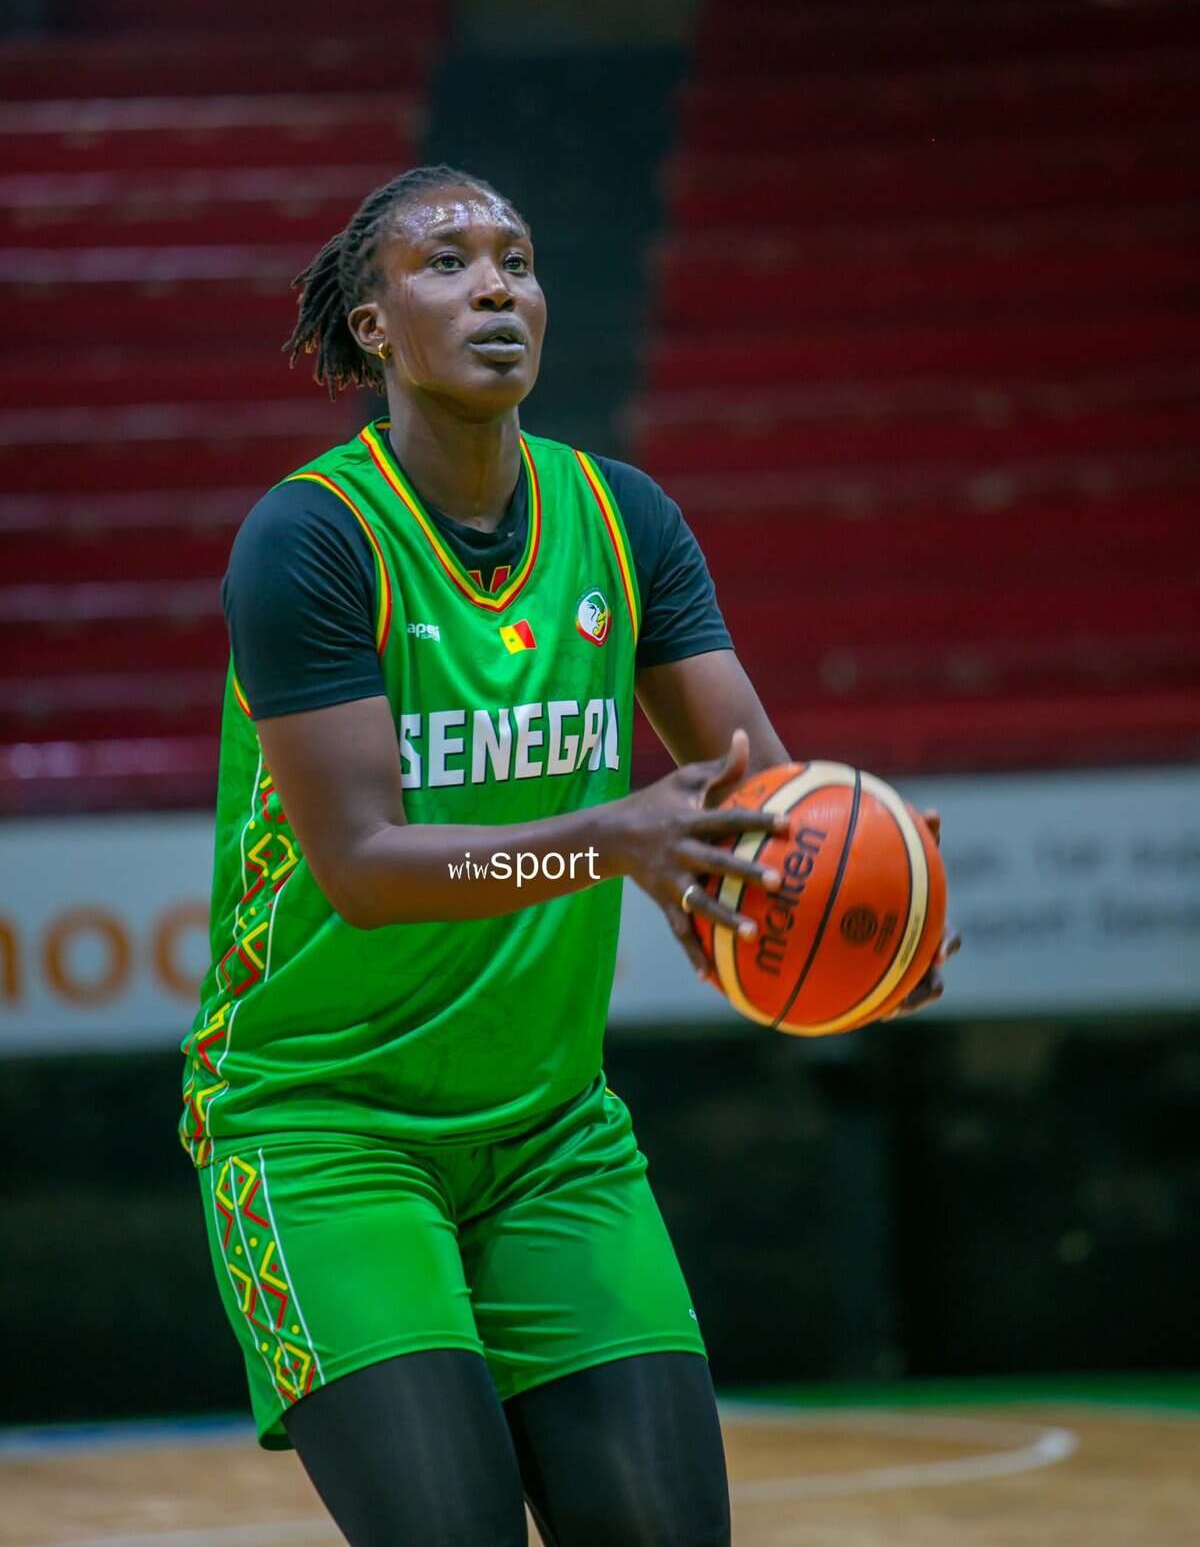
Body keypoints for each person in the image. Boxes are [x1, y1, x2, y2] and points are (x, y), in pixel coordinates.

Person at [180, 164, 957, 1546]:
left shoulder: (623, 521)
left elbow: (756, 800)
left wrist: (864, 895)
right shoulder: (309, 540)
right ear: (373, 327)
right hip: (320, 1128)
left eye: (518, 260)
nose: (496, 285)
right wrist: (607, 840)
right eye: (447, 263)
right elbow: (363, 868)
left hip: (550, 1137)